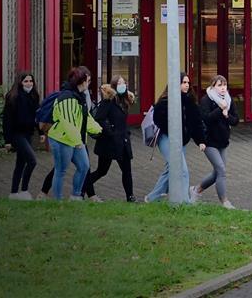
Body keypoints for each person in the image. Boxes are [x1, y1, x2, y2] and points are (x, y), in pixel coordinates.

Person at [145, 73, 206, 203]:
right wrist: (172, 132)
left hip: (181, 141)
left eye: (188, 83)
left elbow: (196, 123)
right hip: (167, 139)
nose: (186, 85)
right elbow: (158, 118)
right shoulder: (165, 101)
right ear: (175, 84)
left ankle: (152, 198)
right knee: (181, 170)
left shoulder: (190, 101)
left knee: (170, 170)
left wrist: (200, 140)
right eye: (183, 82)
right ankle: (185, 202)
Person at [47, 66, 103, 200]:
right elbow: (68, 123)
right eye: (88, 81)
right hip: (61, 139)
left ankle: (76, 196)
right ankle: (57, 201)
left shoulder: (80, 97)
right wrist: (78, 141)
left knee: (84, 166)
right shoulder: (66, 98)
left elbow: (85, 117)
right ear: (81, 81)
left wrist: (99, 129)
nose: (89, 84)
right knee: (61, 170)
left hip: (75, 140)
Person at [192, 75, 239, 209]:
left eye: (224, 85)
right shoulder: (206, 100)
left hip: (222, 141)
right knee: (221, 170)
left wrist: (226, 115)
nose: (223, 88)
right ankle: (224, 201)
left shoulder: (228, 100)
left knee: (217, 173)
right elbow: (206, 118)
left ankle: (196, 190)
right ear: (213, 86)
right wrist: (220, 110)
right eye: (219, 85)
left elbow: (235, 120)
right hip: (208, 141)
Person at [88, 76, 136, 202]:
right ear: (114, 86)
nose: (122, 85)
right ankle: (84, 187)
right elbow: (100, 118)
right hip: (109, 143)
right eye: (119, 83)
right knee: (102, 170)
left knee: (127, 170)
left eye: (124, 83)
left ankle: (130, 197)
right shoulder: (108, 101)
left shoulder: (125, 100)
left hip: (123, 141)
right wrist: (111, 131)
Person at [2, 72, 41, 199]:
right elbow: (7, 120)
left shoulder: (34, 96)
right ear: (20, 82)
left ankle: (14, 193)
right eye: (26, 81)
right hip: (16, 134)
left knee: (20, 164)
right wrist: (7, 140)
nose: (29, 83)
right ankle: (24, 190)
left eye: (31, 81)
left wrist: (41, 132)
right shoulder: (13, 97)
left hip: (28, 134)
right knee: (32, 161)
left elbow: (37, 116)